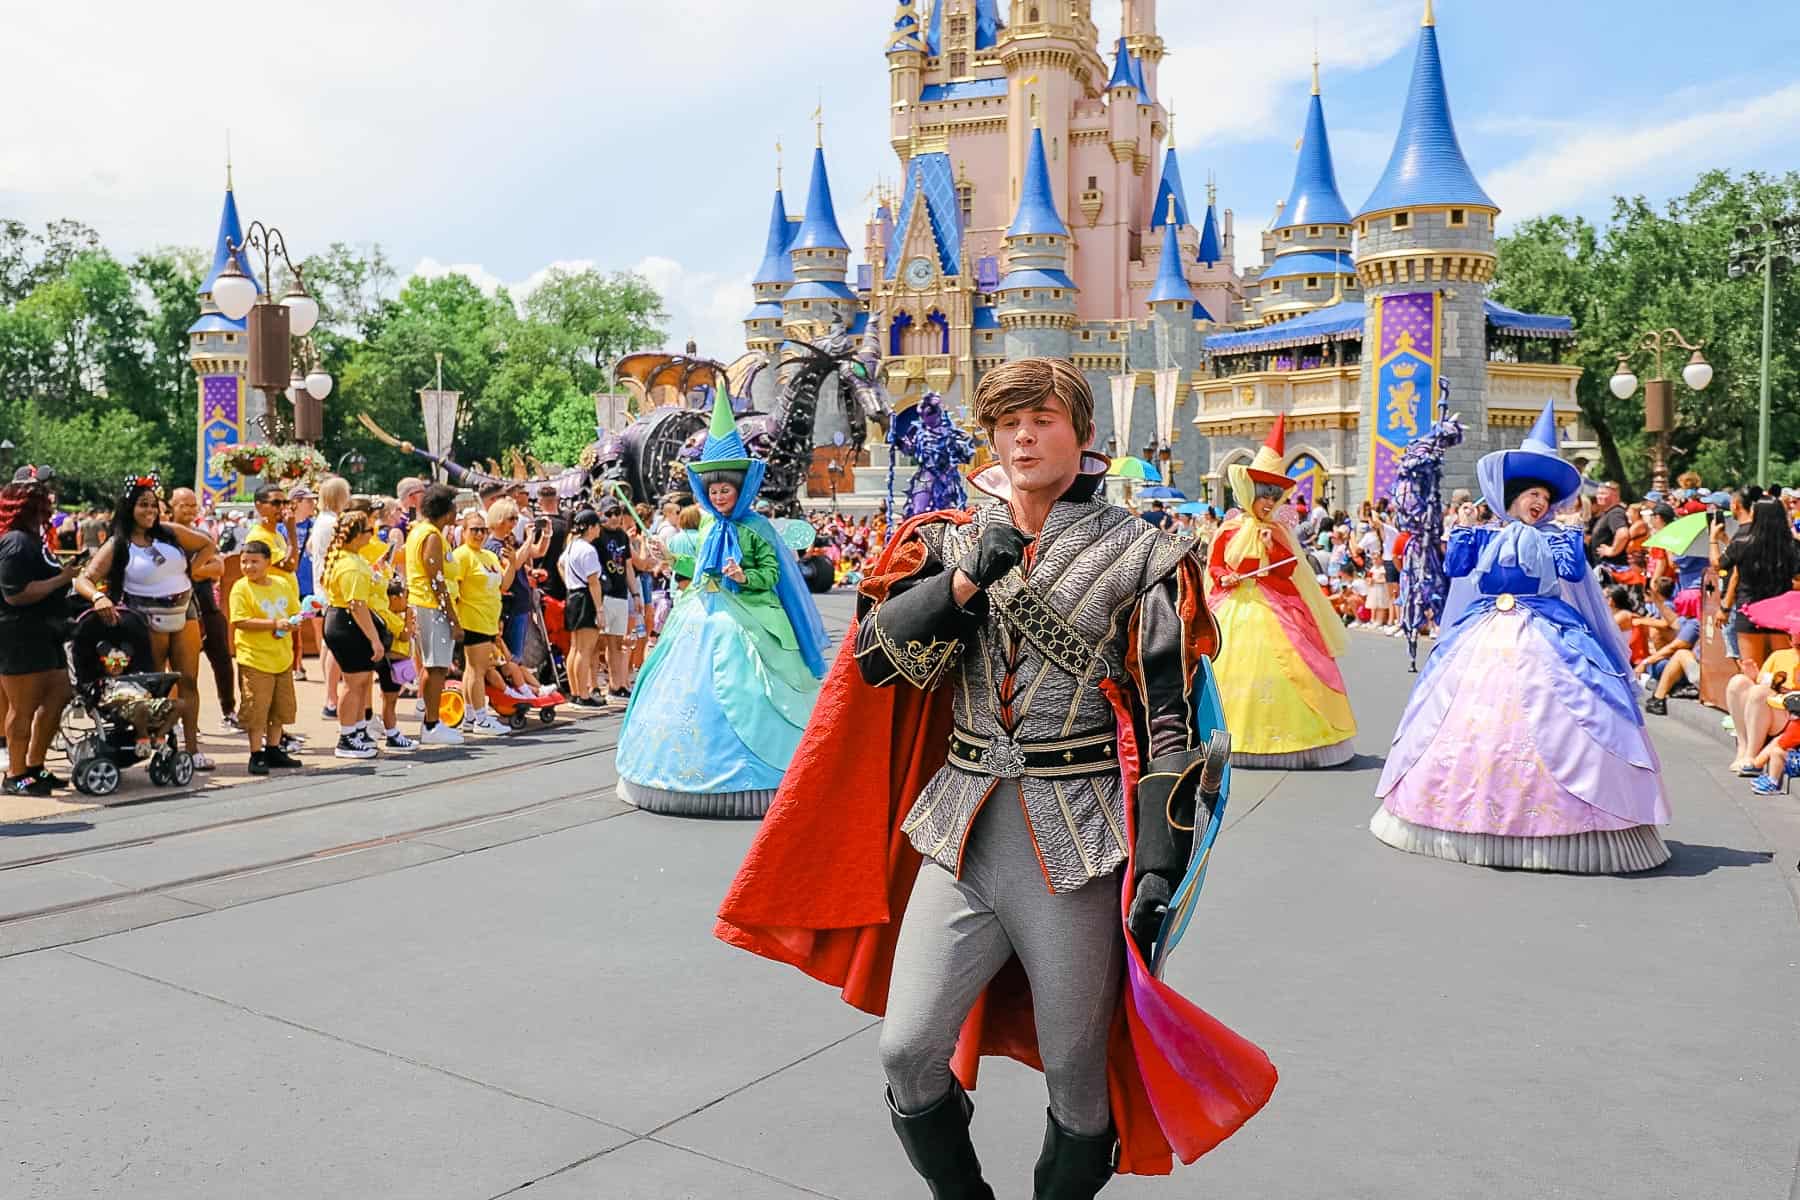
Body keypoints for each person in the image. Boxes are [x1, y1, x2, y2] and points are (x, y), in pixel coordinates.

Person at [716, 357, 1274, 1196]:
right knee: (906, 1049)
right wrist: (967, 578)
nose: (1023, 435)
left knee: (1079, 1075)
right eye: (1008, 421)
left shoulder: (1145, 555)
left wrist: (1160, 859)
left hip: (1080, 843)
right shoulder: (943, 539)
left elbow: (1168, 716)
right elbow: (874, 665)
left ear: (1083, 436)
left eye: (1044, 419)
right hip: (959, 830)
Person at [1370, 401, 1670, 873]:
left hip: (1546, 634)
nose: (1540, 503)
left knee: (1568, 716)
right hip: (1484, 633)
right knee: (1465, 718)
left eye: (1546, 498)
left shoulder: (1557, 537)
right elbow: (1456, 570)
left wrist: (1568, 537)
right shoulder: (1484, 535)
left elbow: (1574, 575)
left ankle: (1573, 825)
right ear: (1511, 494)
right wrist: (1460, 529)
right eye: (1532, 493)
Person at [613, 388, 830, 817]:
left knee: (751, 689)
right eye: (713, 489)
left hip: (749, 619)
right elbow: (699, 563)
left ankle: (766, 775)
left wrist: (744, 576)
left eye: (725, 488)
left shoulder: (757, 529)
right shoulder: (710, 527)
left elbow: (772, 574)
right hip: (700, 613)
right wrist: (671, 556)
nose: (719, 495)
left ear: (738, 487)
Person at [1206, 416, 1356, 767]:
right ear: (1250, 493)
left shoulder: (1280, 533)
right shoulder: (1229, 529)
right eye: (1264, 494)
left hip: (1275, 607)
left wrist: (1273, 547)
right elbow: (1214, 566)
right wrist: (1225, 576)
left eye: (1275, 495)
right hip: (1232, 607)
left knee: (1300, 664)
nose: (1269, 502)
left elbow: (1289, 570)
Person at [75, 475, 223, 771]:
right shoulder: (119, 544)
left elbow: (207, 544)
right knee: (154, 685)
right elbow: (84, 578)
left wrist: (193, 570)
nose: (150, 511)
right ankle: (159, 744)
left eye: (154, 505)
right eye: (143, 505)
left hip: (184, 613)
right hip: (144, 618)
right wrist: (97, 598)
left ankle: (192, 749)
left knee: (188, 681)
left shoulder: (169, 532)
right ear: (129, 507)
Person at [0, 477, 78, 796]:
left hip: (48, 632)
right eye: (43, 499)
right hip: (20, 634)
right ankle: (15, 775)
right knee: (23, 707)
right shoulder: (16, 542)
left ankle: (35, 765)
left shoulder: (36, 539)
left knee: (59, 696)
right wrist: (63, 578)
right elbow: (15, 593)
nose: (49, 502)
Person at [227, 540, 304, 775]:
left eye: (254, 562)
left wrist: (295, 621)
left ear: (268, 563)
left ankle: (273, 748)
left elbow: (294, 611)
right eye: (244, 562)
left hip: (281, 657)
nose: (248, 567)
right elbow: (239, 620)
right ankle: (256, 753)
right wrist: (273, 623)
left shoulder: (281, 583)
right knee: (256, 708)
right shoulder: (241, 588)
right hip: (254, 659)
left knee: (280, 708)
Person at [320, 511, 387, 760]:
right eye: (370, 530)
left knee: (360, 682)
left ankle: (357, 730)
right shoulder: (351, 565)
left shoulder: (351, 558)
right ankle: (347, 736)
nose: (374, 534)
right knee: (353, 683)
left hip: (345, 621)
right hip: (347, 625)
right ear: (358, 535)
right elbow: (357, 605)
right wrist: (374, 639)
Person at [169, 487, 237, 733]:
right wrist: (199, 569)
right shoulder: (167, 536)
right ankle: (180, 716)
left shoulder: (200, 534)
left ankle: (229, 711)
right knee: (181, 668)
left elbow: (219, 568)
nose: (188, 509)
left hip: (208, 605)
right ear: (171, 505)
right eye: (183, 505)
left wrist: (193, 570)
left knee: (222, 660)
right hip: (180, 610)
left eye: (192, 505)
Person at [404, 483, 465, 746]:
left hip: (427, 605)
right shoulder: (431, 536)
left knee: (435, 666)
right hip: (431, 607)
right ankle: (431, 723)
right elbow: (436, 579)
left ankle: (431, 721)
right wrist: (452, 618)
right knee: (437, 667)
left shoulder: (424, 532)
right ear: (446, 510)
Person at [1719, 498, 1800, 675]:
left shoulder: (1743, 543)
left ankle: (1754, 701)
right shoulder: (1791, 546)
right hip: (1780, 614)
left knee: (1752, 671)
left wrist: (1713, 540)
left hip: (1749, 609)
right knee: (1781, 673)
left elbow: (1719, 565)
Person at [451, 507, 513, 737]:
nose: (479, 534)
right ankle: (480, 717)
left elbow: (502, 585)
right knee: (478, 669)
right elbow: (454, 589)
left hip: (488, 618)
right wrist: (455, 620)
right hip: (472, 618)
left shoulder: (489, 556)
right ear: (464, 531)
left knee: (473, 669)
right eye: (474, 530)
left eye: (483, 530)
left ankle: (470, 715)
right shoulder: (462, 555)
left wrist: (513, 564)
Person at [307, 476, 352, 718]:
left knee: (328, 642)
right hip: (333, 588)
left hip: (324, 586)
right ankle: (332, 698)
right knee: (335, 644)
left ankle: (330, 695)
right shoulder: (332, 522)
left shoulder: (322, 521)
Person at [558, 509, 606, 708]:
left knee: (575, 647)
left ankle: (576, 691)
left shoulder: (570, 547)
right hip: (585, 597)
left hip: (572, 596)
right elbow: (593, 582)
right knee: (585, 649)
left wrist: (568, 583)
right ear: (592, 527)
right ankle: (583, 694)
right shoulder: (587, 550)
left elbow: (560, 564)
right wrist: (600, 610)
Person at [595, 503, 638, 699]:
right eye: (609, 513)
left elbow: (628, 566)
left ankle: (617, 684)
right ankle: (592, 685)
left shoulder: (622, 535)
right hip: (603, 594)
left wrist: (635, 594)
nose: (614, 517)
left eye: (617, 513)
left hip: (620, 593)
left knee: (616, 642)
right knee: (597, 642)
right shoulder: (597, 535)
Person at [1585, 480, 1630, 575]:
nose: (1598, 496)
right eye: (1598, 493)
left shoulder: (1615, 513)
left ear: (1615, 495)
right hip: (1603, 568)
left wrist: (1612, 551)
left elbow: (1623, 534)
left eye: (1603, 493)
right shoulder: (1608, 513)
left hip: (1611, 569)